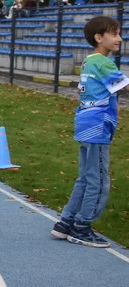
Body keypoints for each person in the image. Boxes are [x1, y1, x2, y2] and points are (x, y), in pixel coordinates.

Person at [51, 16, 127, 247]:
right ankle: (82, 227)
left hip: (85, 123)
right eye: (114, 34)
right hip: (97, 126)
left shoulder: (89, 61)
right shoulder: (103, 63)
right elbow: (124, 86)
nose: (119, 39)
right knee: (99, 179)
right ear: (98, 37)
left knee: (85, 177)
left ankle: (66, 222)